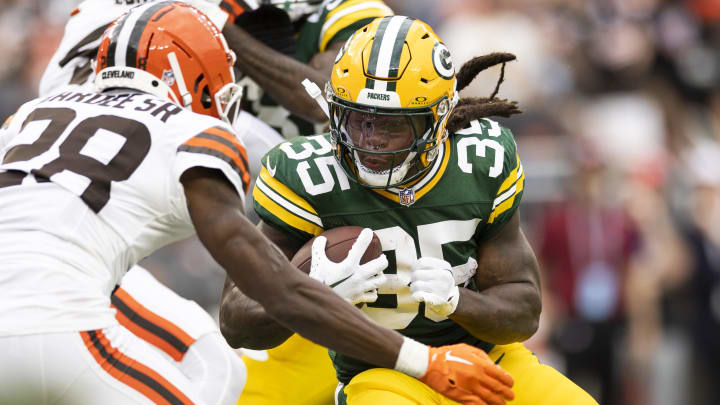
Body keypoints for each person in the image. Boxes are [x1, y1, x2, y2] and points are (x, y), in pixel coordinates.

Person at [0, 3, 513, 405]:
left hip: (43, 291)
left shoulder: (29, 114)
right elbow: (281, 291)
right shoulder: (193, 131)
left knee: (210, 358)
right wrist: (424, 362)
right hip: (55, 324)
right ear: (197, 77)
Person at [220, 15, 598, 404]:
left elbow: (524, 311)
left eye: (392, 125)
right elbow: (236, 319)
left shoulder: (479, 162)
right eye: (359, 120)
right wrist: (308, 292)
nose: (372, 142)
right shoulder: (308, 177)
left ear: (437, 120)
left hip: (483, 356)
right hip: (382, 371)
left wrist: (458, 300)